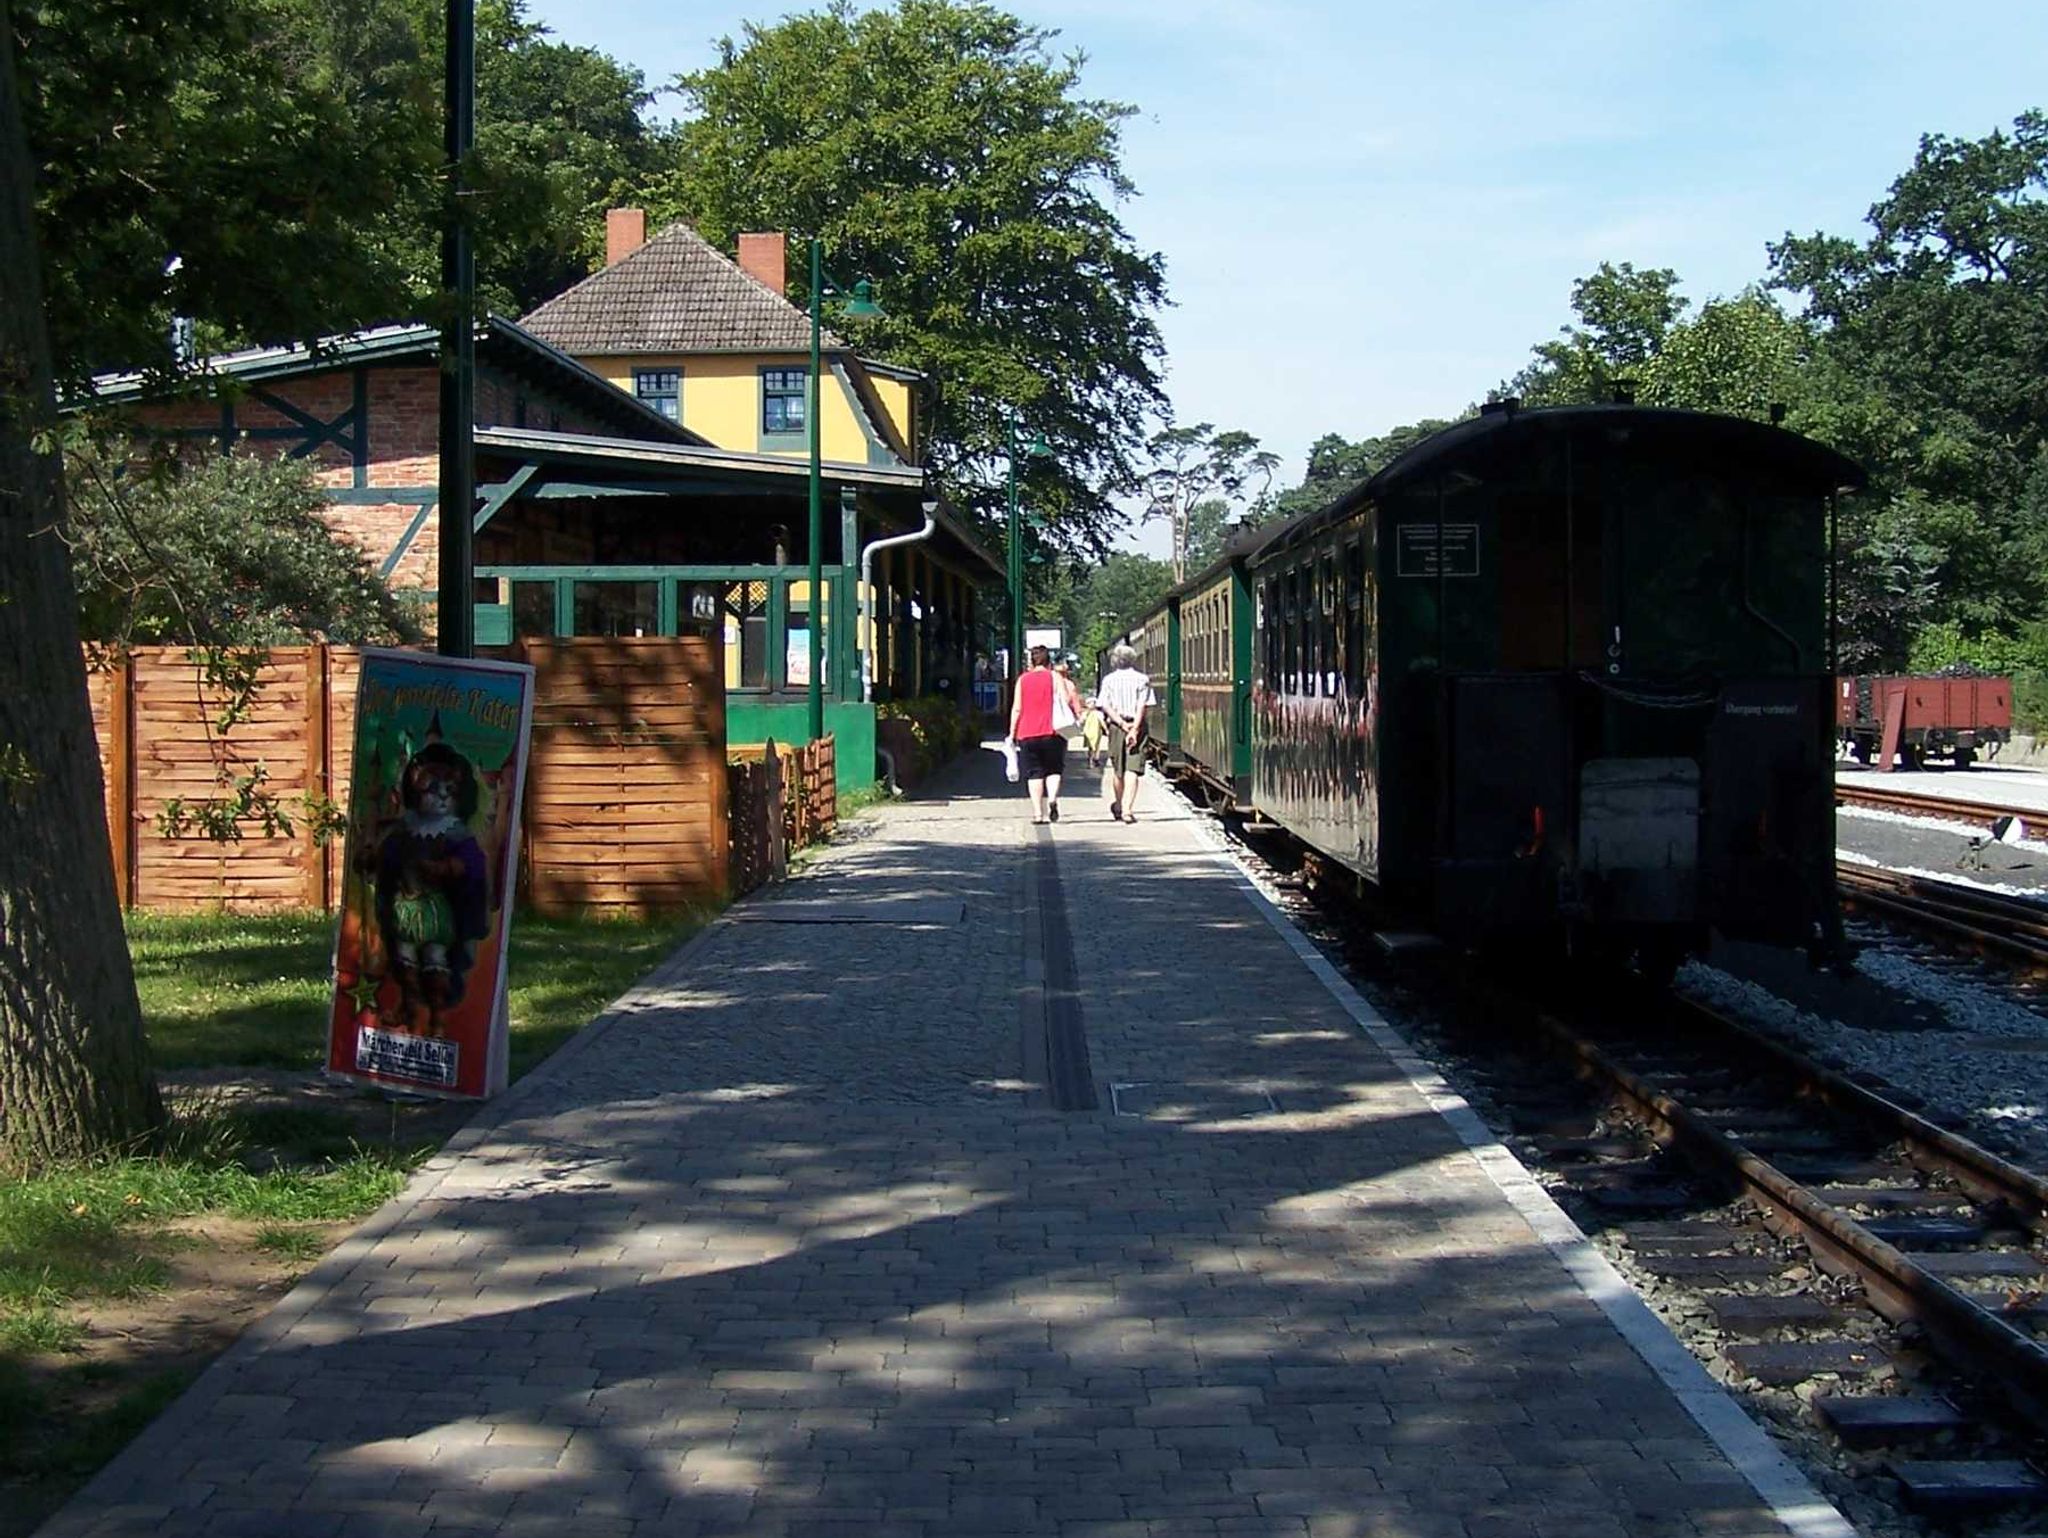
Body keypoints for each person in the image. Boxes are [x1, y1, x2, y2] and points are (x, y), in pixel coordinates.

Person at [1007, 644, 1082, 824]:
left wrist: (1012, 733)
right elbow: (1065, 700)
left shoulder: (1023, 680)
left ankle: (1037, 814)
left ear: (1031, 661)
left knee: (1034, 773)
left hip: (1027, 732)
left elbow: (1017, 708)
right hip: (1054, 731)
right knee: (1054, 769)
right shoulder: (1055, 677)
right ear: (1049, 661)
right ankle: (1052, 800)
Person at [1097, 643, 1156, 823]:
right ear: (1133, 660)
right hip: (1136, 726)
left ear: (1115, 661)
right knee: (1133, 769)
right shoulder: (1142, 679)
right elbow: (1142, 706)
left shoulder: (1108, 680)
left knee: (1118, 770)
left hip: (1117, 726)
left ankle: (1119, 804)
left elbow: (1105, 705)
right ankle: (1128, 811)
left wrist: (1122, 724)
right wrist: (1134, 729)